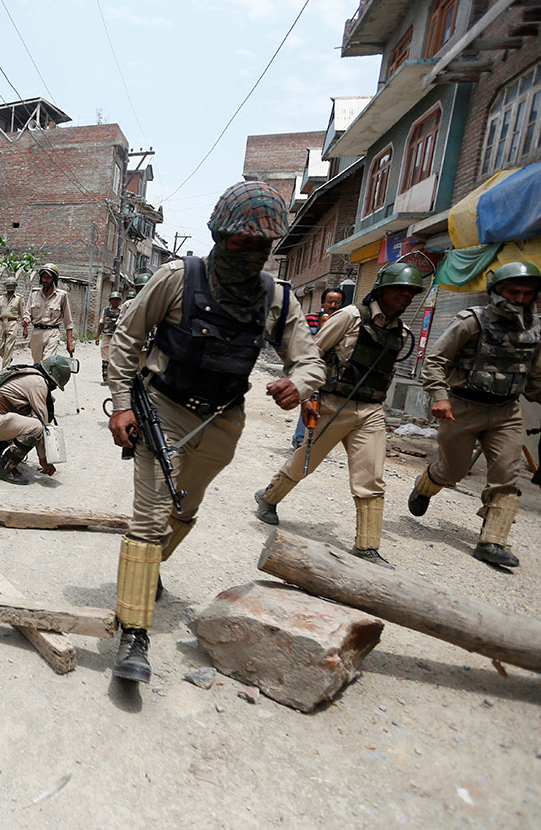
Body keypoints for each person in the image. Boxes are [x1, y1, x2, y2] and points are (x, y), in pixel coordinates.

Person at [105, 181, 325, 683]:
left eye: (259, 246)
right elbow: (126, 339)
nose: (248, 254)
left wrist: (300, 382)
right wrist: (121, 406)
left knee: (186, 509)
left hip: (223, 420)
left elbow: (309, 358)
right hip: (163, 408)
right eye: (238, 243)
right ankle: (134, 633)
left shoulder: (278, 297)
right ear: (217, 236)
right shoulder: (177, 278)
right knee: (151, 514)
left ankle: (147, 572)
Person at [254, 263, 426, 569]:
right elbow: (311, 355)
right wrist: (307, 395)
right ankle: (268, 498)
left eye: (411, 292)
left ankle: (367, 546)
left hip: (371, 410)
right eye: (400, 289)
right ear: (381, 289)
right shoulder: (349, 317)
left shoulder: (402, 332)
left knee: (370, 477)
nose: (406, 296)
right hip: (333, 404)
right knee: (304, 462)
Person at [409, 261, 541, 567]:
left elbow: (533, 375)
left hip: (506, 411)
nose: (520, 299)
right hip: (462, 409)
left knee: (506, 477)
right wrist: (440, 397)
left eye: (527, 293)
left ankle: (492, 541)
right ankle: (426, 484)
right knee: (453, 472)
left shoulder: (535, 327)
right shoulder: (471, 321)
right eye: (514, 291)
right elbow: (435, 361)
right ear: (497, 291)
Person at [0, 354, 76, 485]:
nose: (52, 388)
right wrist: (44, 460)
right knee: (35, 426)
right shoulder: (38, 383)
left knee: (21, 421)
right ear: (52, 378)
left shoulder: (26, 373)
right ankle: (6, 468)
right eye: (54, 384)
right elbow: (43, 424)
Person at [292, 287, 346, 448]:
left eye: (338, 302)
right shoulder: (310, 319)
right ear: (323, 302)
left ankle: (315, 439)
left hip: (334, 371)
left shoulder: (346, 322)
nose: (334, 305)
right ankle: (300, 438)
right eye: (330, 301)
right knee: (309, 400)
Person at [23, 263, 75, 363]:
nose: (45, 280)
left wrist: (70, 342)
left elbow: (68, 322)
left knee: (47, 362)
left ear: (54, 279)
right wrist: (26, 320)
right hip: (37, 333)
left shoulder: (61, 296)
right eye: (43, 277)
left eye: (48, 277)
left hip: (52, 333)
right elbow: (27, 313)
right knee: (37, 363)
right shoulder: (34, 294)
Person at [0, 276, 24, 369]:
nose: (10, 287)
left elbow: (23, 313)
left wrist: (25, 328)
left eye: (12, 285)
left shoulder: (19, 299)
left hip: (13, 323)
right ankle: (8, 358)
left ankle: (4, 369)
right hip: (2, 323)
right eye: (8, 285)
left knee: (9, 347)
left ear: (15, 286)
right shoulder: (1, 298)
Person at [95, 291, 124, 385]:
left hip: (118, 337)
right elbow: (101, 323)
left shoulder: (122, 310)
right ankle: (105, 379)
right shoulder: (106, 311)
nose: (114, 301)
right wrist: (97, 337)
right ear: (110, 301)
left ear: (119, 300)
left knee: (116, 358)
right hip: (107, 336)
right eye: (112, 299)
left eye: (116, 299)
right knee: (105, 359)